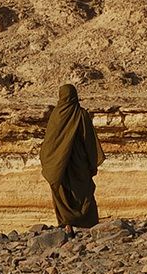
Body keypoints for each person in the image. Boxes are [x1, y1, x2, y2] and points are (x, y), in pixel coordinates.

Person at [39, 83, 105, 234]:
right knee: (83, 191)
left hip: (59, 165)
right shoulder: (81, 114)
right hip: (79, 164)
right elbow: (88, 140)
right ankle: (87, 224)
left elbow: (49, 142)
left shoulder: (56, 115)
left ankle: (66, 223)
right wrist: (91, 162)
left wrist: (52, 161)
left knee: (63, 193)